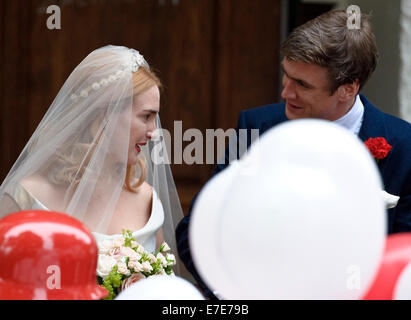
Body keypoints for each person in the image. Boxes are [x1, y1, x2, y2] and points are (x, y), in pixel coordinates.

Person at [176, 9, 411, 299]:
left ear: (348, 89)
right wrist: (231, 292)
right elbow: (196, 230)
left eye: (302, 84)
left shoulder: (404, 145)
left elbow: (404, 260)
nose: (286, 93)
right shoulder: (256, 127)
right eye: (287, 76)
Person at [0, 45, 185, 278]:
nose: (154, 132)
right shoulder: (26, 197)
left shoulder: (146, 201)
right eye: (146, 117)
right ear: (104, 115)